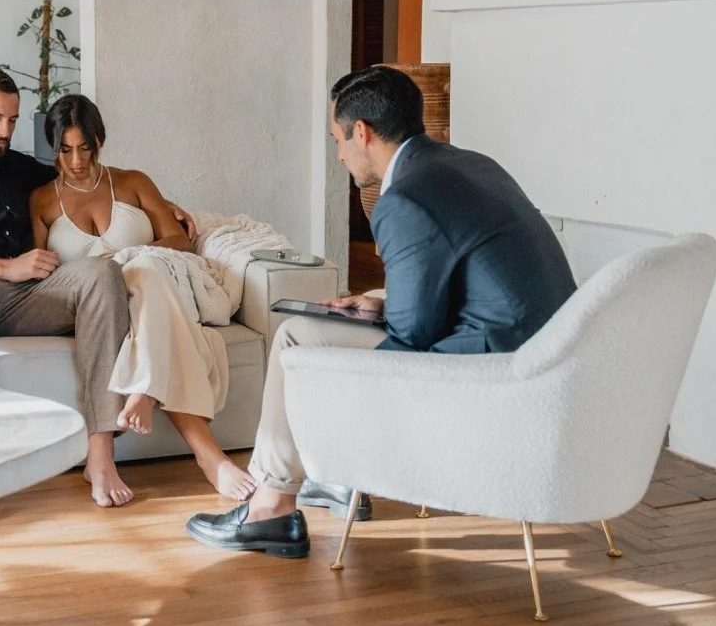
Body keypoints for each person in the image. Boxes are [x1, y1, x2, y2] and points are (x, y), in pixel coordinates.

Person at [186, 66, 578, 557]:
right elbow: (475, 280)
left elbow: (415, 333)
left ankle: (272, 508)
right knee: (326, 329)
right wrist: (383, 302)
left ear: (362, 133)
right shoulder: (472, 164)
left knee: (294, 337)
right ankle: (329, 479)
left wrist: (385, 319)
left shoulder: (404, 197)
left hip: (490, 373)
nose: (339, 154)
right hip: (545, 359)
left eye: (337, 139)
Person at [0, 68, 194, 514]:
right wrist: (7, 268)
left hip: (33, 296)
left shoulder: (21, 169)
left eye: (12, 121)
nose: (4, 131)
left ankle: (101, 455)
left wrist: (165, 207)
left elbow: (83, 180)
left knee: (99, 274)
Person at [30, 95, 256, 501]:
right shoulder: (42, 200)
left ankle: (152, 393)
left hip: (155, 286)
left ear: (100, 140)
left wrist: (123, 258)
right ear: (54, 149)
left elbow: (176, 241)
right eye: (65, 150)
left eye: (86, 148)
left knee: (145, 270)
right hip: (95, 305)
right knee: (119, 282)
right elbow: (43, 273)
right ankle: (208, 454)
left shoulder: (133, 182)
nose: (77, 160)